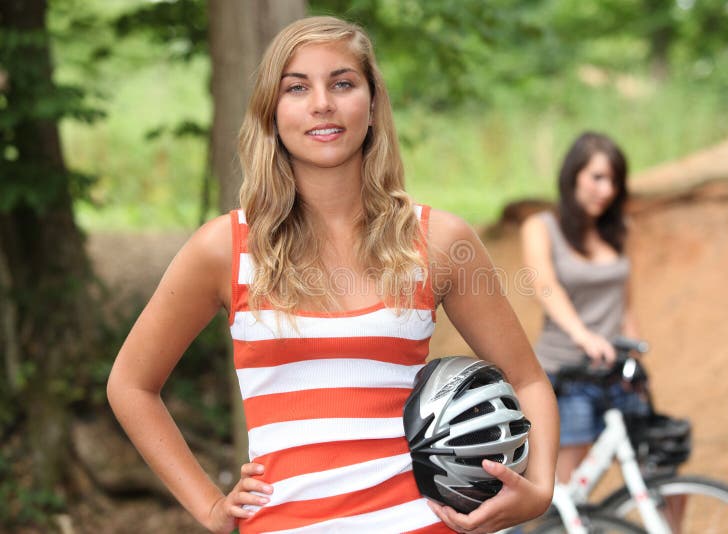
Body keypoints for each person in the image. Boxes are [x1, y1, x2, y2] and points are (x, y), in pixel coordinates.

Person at [107, 16, 558, 534]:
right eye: (297, 88)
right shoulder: (224, 248)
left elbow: (527, 379)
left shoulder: (437, 241)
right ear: (272, 114)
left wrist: (539, 490)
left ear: (372, 105)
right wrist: (209, 506)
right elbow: (130, 385)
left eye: (342, 83)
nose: (322, 103)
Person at [520, 131, 648, 483]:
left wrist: (635, 359)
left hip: (613, 369)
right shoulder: (542, 227)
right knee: (567, 484)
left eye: (614, 181)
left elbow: (626, 305)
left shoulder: (619, 229)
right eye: (597, 177)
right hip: (567, 372)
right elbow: (545, 286)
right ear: (573, 174)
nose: (606, 190)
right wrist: (584, 336)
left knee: (658, 464)